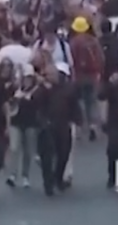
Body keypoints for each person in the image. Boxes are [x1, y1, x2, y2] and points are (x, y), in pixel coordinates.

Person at [33, 62, 80, 196]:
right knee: (47, 156)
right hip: (47, 125)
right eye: (47, 75)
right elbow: (35, 101)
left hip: (63, 123)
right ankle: (48, 184)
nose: (49, 77)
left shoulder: (68, 87)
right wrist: (44, 88)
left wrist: (77, 120)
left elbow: (74, 104)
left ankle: (58, 178)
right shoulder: (42, 88)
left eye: (51, 74)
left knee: (64, 153)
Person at [68, 16, 104, 141]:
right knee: (92, 102)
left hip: (79, 76)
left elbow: (71, 60)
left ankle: (81, 127)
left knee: (80, 102)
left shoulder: (74, 42)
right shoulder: (94, 41)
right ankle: (93, 125)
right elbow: (101, 58)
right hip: (92, 76)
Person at [7, 64, 40, 188]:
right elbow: (9, 105)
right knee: (14, 148)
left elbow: (38, 105)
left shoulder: (37, 92)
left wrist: (28, 99)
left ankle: (25, 176)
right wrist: (16, 98)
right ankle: (13, 175)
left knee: (27, 151)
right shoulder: (15, 90)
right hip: (16, 123)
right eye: (25, 78)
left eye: (29, 78)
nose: (27, 81)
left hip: (30, 123)